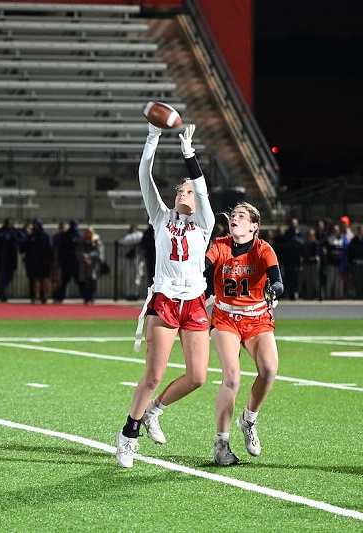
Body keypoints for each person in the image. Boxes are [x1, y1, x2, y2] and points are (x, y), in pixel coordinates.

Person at [115, 122, 215, 468]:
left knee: (198, 376)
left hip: (195, 301)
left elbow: (201, 190)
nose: (182, 195)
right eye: (180, 192)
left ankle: (154, 411)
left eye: (187, 192)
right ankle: (128, 435)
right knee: (153, 375)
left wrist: (189, 155)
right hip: (165, 299)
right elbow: (145, 175)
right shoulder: (160, 217)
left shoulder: (205, 223)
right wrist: (153, 137)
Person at [204, 202, 283, 465]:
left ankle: (248, 419)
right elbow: (206, 264)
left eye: (241, 216)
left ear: (254, 226)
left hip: (257, 317)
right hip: (225, 316)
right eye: (233, 216)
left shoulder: (263, 248)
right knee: (232, 378)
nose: (234, 219)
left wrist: (277, 289)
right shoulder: (220, 245)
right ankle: (221, 443)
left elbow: (277, 277)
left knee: (270, 369)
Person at [0, 218, 25, 302]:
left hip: (11, 258)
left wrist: (15, 240)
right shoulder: (0, 232)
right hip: (0, 258)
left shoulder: (15, 231)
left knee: (9, 277)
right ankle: (1, 294)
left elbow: (23, 239)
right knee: (0, 278)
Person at [23, 218, 53, 304]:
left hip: (44, 261)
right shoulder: (31, 236)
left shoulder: (46, 236)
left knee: (44, 279)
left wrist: (49, 259)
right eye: (35, 224)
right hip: (33, 262)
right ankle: (35, 296)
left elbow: (50, 249)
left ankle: (44, 296)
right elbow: (27, 248)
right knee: (34, 279)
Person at [51, 220, 81, 302]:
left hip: (75, 261)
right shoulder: (65, 236)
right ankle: (60, 297)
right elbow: (61, 249)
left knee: (78, 280)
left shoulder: (78, 235)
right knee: (63, 281)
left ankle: (86, 296)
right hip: (67, 261)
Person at [77, 226, 105, 304]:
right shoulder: (82, 242)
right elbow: (79, 252)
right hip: (83, 264)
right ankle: (85, 297)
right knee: (83, 282)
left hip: (93, 265)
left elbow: (99, 252)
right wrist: (84, 256)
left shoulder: (97, 242)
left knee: (92, 281)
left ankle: (91, 297)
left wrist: (90, 256)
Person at [118, 223, 145, 300]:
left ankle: (135, 293)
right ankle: (129, 294)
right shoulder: (128, 236)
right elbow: (123, 241)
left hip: (138, 258)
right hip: (129, 259)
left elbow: (137, 239)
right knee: (129, 277)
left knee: (137, 276)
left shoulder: (140, 235)